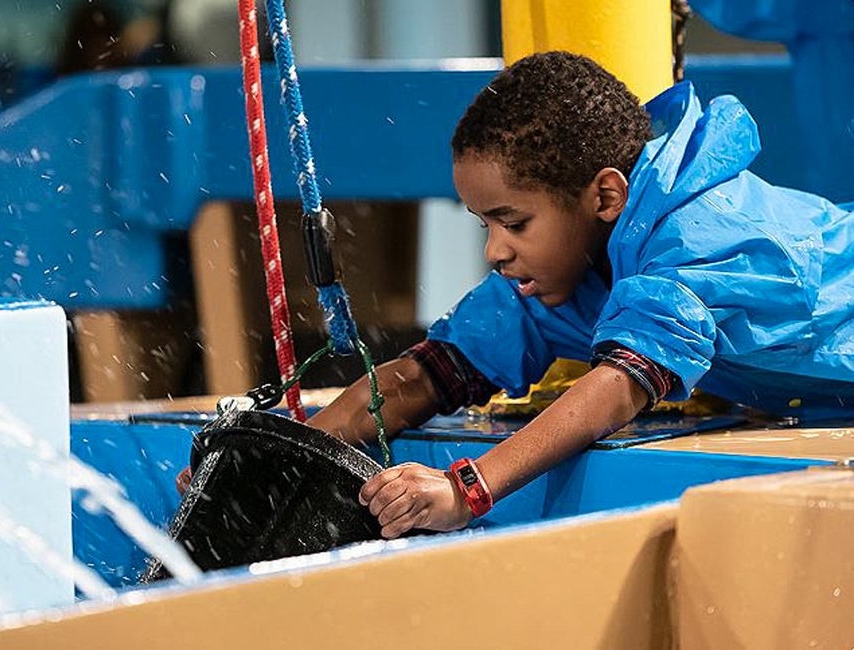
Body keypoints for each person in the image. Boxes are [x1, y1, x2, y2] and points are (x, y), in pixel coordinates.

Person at [306, 50, 854, 539]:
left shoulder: (708, 235)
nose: (494, 252)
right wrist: (284, 451)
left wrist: (466, 490)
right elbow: (426, 374)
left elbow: (622, 385)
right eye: (485, 227)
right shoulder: (559, 276)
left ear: (606, 195)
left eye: (514, 223)